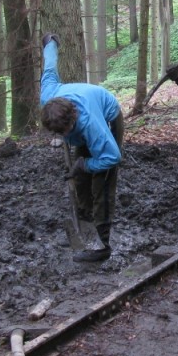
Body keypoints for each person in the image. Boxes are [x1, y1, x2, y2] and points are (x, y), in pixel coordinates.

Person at [40, 33, 124, 262]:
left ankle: (102, 244)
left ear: (73, 119)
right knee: (80, 181)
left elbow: (112, 157)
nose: (63, 137)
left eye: (65, 132)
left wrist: (84, 163)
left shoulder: (91, 125)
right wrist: (50, 43)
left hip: (108, 116)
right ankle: (85, 230)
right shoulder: (48, 96)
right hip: (80, 119)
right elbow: (49, 69)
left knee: (101, 181)